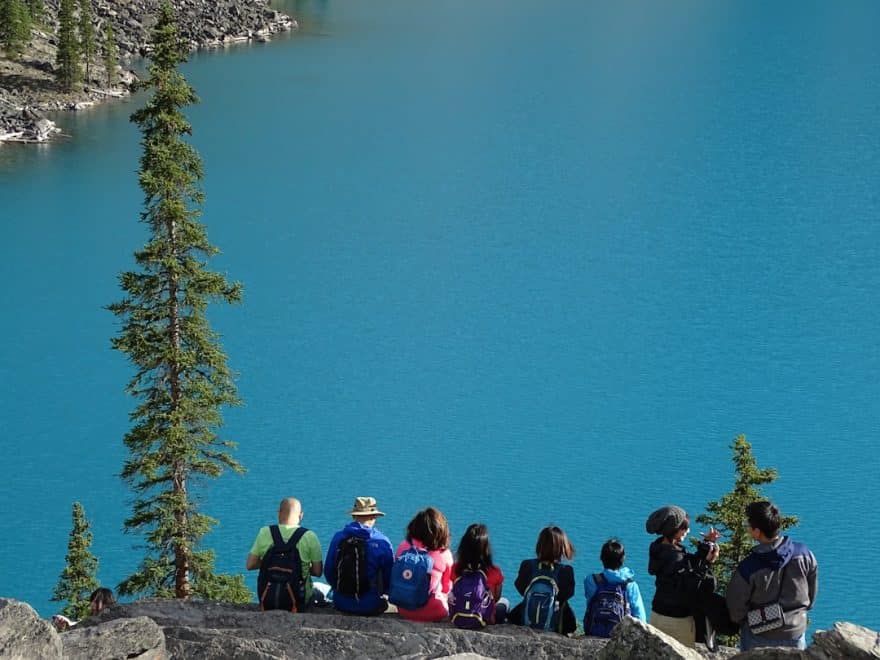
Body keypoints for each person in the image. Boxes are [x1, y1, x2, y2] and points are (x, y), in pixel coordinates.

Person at [726, 501, 818, 651]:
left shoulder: (749, 567)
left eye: (748, 525)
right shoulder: (804, 554)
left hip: (758, 635)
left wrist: (749, 621)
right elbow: (811, 595)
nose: (747, 527)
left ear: (757, 532)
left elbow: (736, 610)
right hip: (795, 631)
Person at [646, 505, 719, 648]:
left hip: (657, 614)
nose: (688, 531)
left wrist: (706, 546)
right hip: (677, 620)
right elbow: (695, 585)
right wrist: (708, 563)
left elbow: (687, 565)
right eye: (684, 528)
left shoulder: (657, 548)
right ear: (674, 531)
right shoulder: (676, 557)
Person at [246, 497, 323, 611]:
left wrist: (269, 563)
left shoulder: (265, 532)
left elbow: (250, 565)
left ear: (278, 513)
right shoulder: (310, 536)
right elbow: (317, 572)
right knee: (319, 595)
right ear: (301, 515)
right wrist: (303, 567)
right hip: (298, 601)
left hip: (268, 599)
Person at [324, 496, 394, 616]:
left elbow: (328, 571)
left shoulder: (338, 537)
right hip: (370, 604)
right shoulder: (382, 542)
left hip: (341, 603)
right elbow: (389, 577)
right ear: (374, 517)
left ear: (354, 516)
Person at [508, 526, 577, 634]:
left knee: (510, 617)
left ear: (540, 545)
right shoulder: (566, 570)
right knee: (571, 625)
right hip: (555, 618)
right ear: (563, 548)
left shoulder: (527, 565)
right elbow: (568, 594)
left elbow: (520, 588)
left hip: (526, 619)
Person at [394, 507, 454, 622]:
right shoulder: (444, 554)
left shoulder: (404, 546)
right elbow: (447, 588)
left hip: (404, 608)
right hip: (435, 611)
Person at [583, 539, 647, 636]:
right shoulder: (630, 585)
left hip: (594, 632)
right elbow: (640, 616)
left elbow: (590, 604)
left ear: (601, 558)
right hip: (620, 637)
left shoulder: (591, 580)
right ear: (623, 560)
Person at [450, 523, 509, 624]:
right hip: (485, 618)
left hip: (458, 616)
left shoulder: (455, 569)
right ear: (486, 549)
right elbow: (496, 597)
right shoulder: (495, 571)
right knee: (504, 602)